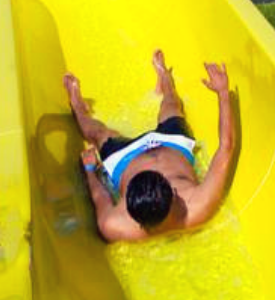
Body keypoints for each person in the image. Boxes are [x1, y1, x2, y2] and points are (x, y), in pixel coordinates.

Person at [65, 50, 236, 242]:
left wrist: (89, 170)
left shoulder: (114, 225)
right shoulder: (197, 206)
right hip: (173, 145)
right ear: (173, 195)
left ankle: (78, 108)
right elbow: (226, 146)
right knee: (171, 107)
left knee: (97, 134)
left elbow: (100, 197)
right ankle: (166, 80)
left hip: (123, 160)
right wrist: (222, 92)